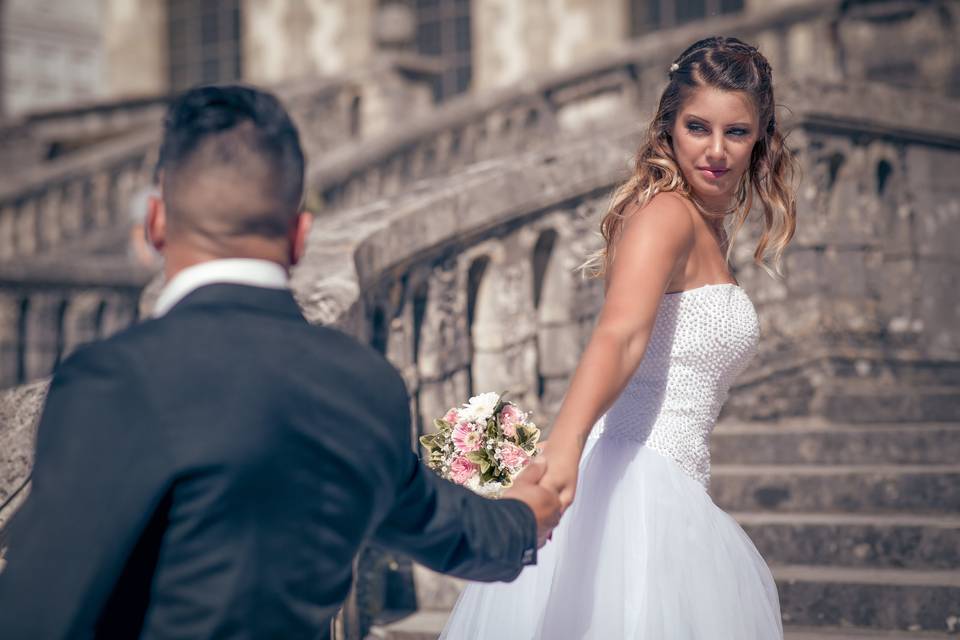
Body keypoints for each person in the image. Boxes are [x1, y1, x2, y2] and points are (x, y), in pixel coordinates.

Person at [0, 85, 562, 639]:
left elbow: (39, 611)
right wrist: (521, 521)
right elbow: (442, 527)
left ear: (155, 225)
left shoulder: (111, 380)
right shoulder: (364, 385)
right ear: (299, 236)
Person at [441, 36, 797, 639]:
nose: (715, 150)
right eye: (697, 127)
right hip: (636, 482)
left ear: (759, 138)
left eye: (736, 132)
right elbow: (620, 335)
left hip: (674, 482)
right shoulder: (665, 214)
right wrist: (565, 448)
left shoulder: (703, 225)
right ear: (668, 127)